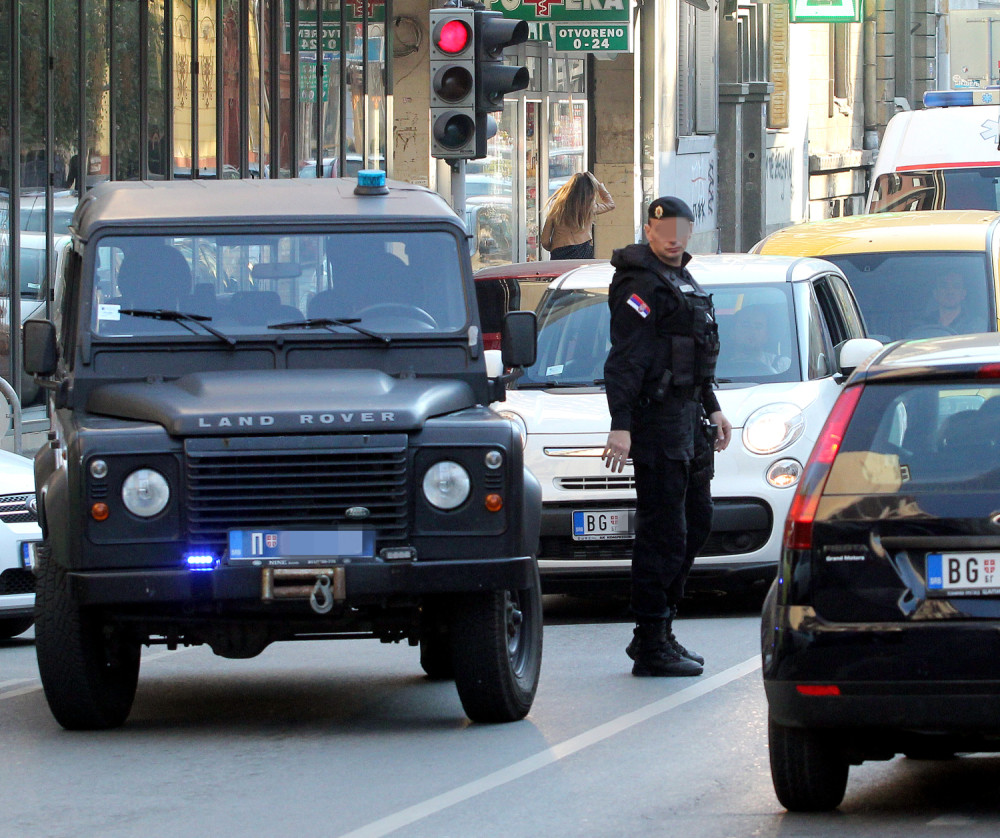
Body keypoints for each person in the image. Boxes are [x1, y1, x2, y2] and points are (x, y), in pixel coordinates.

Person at [602, 196, 732, 678]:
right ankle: (650, 638)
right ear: (649, 230)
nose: (674, 236)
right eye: (664, 228)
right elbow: (626, 359)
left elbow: (693, 353)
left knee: (697, 523)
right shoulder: (639, 283)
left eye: (682, 227)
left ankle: (663, 628)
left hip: (689, 419)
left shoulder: (682, 278)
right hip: (656, 423)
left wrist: (713, 407)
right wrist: (621, 425)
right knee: (664, 534)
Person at [540, 171, 615, 260]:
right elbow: (611, 204)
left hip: (559, 251)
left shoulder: (556, 207)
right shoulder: (589, 208)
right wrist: (598, 185)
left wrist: (553, 248)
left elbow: (545, 241)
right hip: (583, 250)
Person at [728, 304, 790, 373]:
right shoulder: (717, 366)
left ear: (766, 335)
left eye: (758, 327)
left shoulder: (783, 365)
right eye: (745, 325)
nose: (752, 331)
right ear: (732, 332)